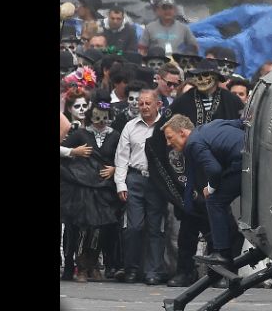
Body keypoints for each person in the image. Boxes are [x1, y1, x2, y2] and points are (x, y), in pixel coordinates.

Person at [162, 115, 245, 267]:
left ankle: (222, 252)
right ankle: (226, 247)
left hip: (242, 162)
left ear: (182, 132)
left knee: (214, 201)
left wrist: (210, 188)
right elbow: (240, 122)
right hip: (250, 155)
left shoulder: (193, 143)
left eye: (169, 137)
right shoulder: (211, 126)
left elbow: (214, 170)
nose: (168, 143)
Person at [60, 95, 121, 283]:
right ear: (90, 116)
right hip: (82, 191)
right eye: (97, 117)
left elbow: (125, 156)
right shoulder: (80, 134)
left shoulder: (116, 135)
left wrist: (116, 169)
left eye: (105, 117)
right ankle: (80, 267)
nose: (101, 122)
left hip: (104, 190)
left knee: (99, 229)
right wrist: (73, 151)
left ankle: (93, 263)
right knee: (82, 228)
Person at [114, 89, 167, 285]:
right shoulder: (130, 126)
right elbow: (121, 157)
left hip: (157, 182)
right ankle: (131, 269)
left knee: (156, 228)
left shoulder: (164, 126)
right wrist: (120, 184)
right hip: (134, 179)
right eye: (141, 103)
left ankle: (152, 271)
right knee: (133, 227)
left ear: (158, 105)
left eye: (148, 103)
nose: (143, 107)